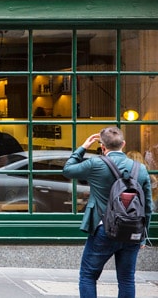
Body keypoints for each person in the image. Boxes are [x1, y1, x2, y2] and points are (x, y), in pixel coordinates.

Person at [62, 127, 153, 298]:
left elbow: (68, 170)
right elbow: (148, 206)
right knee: (127, 279)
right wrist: (143, 235)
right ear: (123, 144)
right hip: (132, 231)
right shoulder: (140, 169)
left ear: (102, 147)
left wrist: (83, 147)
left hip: (104, 230)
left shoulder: (96, 164)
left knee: (88, 276)